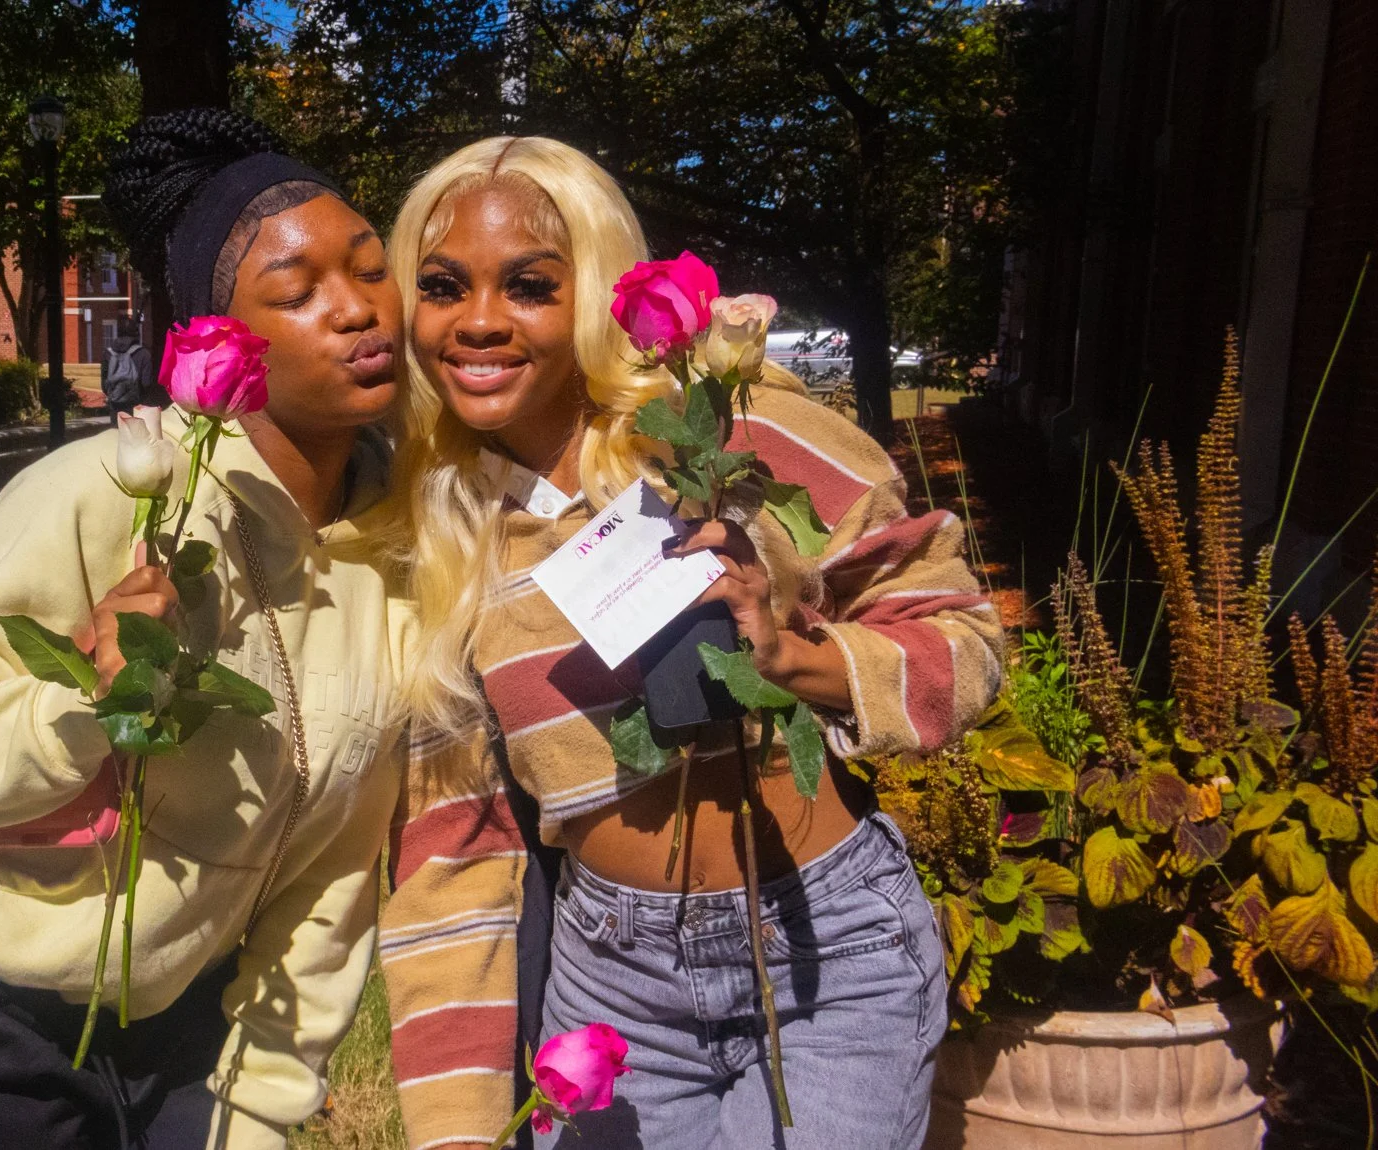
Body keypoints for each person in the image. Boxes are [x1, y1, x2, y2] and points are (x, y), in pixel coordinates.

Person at [0, 109, 410, 1149]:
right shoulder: (112, 493)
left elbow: (332, 874)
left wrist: (255, 1107)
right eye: (296, 293)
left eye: (372, 268)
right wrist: (84, 694)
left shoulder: (396, 557)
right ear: (222, 343)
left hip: (168, 1023)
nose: (354, 310)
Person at [376, 137, 1003, 1150]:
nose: (478, 319)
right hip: (609, 979)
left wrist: (796, 661)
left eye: (529, 284)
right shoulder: (442, 545)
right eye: (442, 284)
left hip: (822, 947)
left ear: (592, 294)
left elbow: (959, 634)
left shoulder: (724, 436)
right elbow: (451, 857)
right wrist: (455, 1132)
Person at [102, 317, 156, 419]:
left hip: (115, 405)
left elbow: (104, 383)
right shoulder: (144, 354)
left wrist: (115, 394)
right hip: (137, 405)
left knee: (115, 432)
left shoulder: (107, 354)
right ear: (136, 333)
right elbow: (147, 383)